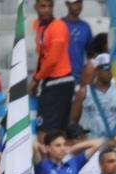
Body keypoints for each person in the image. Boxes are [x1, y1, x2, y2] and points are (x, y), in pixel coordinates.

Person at [31, 0, 75, 137]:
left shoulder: (58, 27)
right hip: (51, 81)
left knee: (45, 131)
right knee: (57, 131)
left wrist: (35, 79)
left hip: (59, 79)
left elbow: (52, 60)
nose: (47, 10)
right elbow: (43, 55)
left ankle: (47, 158)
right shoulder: (38, 25)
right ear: (35, 7)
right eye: (43, 6)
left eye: (50, 6)